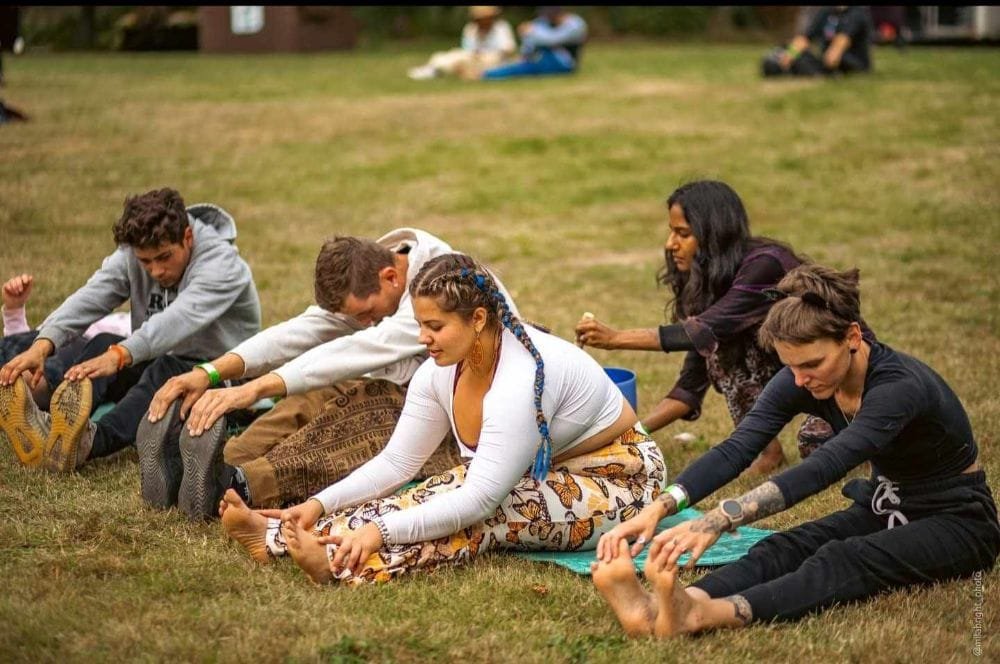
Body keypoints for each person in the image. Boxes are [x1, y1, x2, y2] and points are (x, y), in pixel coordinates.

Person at [590, 264, 999, 637]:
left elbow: (827, 465)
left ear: (852, 338)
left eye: (813, 364)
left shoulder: (898, 388)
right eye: (792, 367)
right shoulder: (803, 376)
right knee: (784, 546)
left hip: (958, 521)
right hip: (886, 505)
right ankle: (672, 606)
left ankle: (705, 615)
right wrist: (660, 507)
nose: (801, 380)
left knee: (846, 558)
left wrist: (720, 519)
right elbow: (739, 448)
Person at [219, 253, 666, 585]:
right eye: (419, 323)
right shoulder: (440, 371)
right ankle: (278, 535)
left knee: (489, 515)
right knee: (435, 491)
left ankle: (343, 568)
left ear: (477, 319)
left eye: (435, 326)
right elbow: (397, 465)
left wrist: (379, 530)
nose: (422, 337)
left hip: (622, 482)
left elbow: (479, 502)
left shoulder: (522, 379)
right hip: (551, 473)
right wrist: (318, 504)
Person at [139, 230, 496, 521]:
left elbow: (361, 350)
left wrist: (250, 391)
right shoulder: (382, 268)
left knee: (353, 425)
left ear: (390, 278)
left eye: (367, 314)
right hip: (398, 382)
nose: (365, 322)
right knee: (309, 396)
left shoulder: (440, 286)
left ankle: (237, 484)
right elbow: (299, 332)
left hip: (453, 409)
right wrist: (211, 372)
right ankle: (213, 462)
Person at [575, 180, 845, 474]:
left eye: (683, 234)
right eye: (672, 231)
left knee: (817, 446)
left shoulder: (765, 266)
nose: (670, 244)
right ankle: (767, 451)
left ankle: (854, 415)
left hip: (834, 374)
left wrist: (615, 338)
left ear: (713, 236)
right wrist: (629, 435)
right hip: (789, 371)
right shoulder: (710, 282)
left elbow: (702, 331)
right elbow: (691, 383)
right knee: (719, 355)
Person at [0, 188, 260, 472]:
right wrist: (42, 344)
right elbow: (92, 296)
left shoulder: (223, 265)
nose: (155, 271)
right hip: (159, 357)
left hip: (222, 377)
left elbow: (174, 322)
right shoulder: (131, 253)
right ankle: (43, 409)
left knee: (163, 369)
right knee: (102, 342)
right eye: (145, 262)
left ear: (188, 237)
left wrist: (120, 355)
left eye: (164, 257)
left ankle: (89, 442)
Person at [1, 273, 131, 409]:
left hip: (87, 350)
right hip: (46, 337)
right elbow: (21, 351)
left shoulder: (143, 333)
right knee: (14, 353)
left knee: (31, 375)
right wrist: (14, 312)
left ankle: (11, 397)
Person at [407, 6, 516, 81]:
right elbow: (467, 49)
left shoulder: (501, 27)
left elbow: (509, 49)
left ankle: (434, 70)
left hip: (494, 59)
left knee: (464, 59)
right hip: (473, 58)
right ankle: (434, 68)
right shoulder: (471, 29)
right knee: (451, 55)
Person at [762, 6, 874, 78]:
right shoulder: (826, 12)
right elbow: (805, 38)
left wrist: (829, 61)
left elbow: (842, 41)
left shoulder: (857, 13)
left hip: (852, 63)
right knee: (783, 53)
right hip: (826, 60)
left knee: (805, 62)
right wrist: (789, 54)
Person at [481, 6, 587, 80]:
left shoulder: (575, 24)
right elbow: (528, 44)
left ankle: (488, 74)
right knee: (523, 64)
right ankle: (488, 73)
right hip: (542, 59)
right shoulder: (543, 22)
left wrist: (531, 32)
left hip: (565, 64)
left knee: (525, 68)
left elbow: (552, 39)